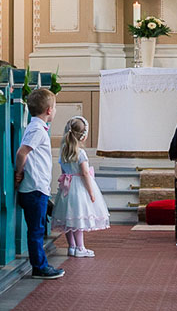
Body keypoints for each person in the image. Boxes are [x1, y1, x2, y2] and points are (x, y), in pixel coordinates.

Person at [14, 87, 64, 279]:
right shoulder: (36, 129)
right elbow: (22, 152)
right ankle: (39, 267)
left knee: (38, 228)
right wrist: (19, 172)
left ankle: (40, 264)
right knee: (36, 230)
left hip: (37, 185)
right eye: (55, 107)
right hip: (34, 187)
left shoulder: (38, 127)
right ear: (49, 110)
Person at [52, 116, 110, 257]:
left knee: (69, 218)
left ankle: (71, 247)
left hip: (67, 186)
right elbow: (84, 173)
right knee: (78, 218)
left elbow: (63, 171)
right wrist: (91, 192)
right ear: (83, 137)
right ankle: (80, 248)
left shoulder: (64, 150)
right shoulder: (80, 153)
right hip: (79, 188)